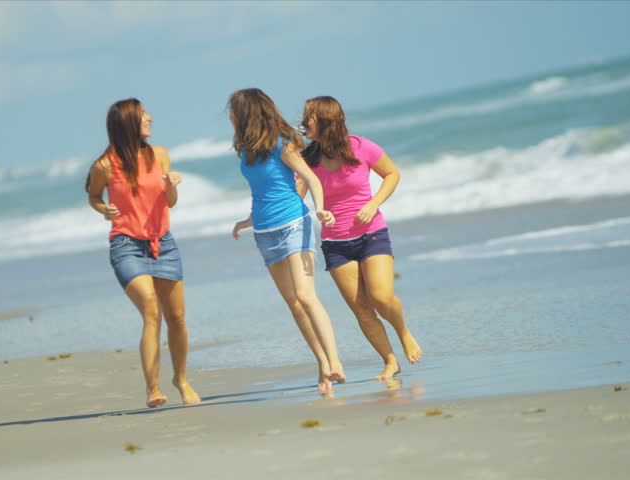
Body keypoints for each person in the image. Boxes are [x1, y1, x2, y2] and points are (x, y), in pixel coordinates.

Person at [229, 88, 346, 393]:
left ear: (246, 114)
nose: (229, 116)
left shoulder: (283, 145)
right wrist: (247, 221)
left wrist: (320, 209)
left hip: (295, 224)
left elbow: (312, 179)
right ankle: (323, 365)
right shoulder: (246, 151)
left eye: (233, 111)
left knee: (306, 296)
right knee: (294, 305)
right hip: (265, 232)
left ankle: (335, 362)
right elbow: (263, 193)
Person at [85, 98, 200, 408]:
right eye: (144, 115)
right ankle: (153, 388)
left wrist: (172, 184)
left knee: (177, 317)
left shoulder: (159, 155)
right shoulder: (105, 166)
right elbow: (93, 195)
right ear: (128, 123)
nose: (150, 118)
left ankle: (181, 379)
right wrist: (103, 209)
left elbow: (170, 202)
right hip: (126, 246)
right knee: (151, 310)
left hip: (163, 242)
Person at [297, 96, 422, 381]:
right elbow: (296, 196)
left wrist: (373, 203)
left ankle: (403, 333)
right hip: (335, 244)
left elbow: (391, 173)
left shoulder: (361, 146)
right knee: (363, 311)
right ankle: (390, 361)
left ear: (326, 120)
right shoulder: (308, 159)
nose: (303, 123)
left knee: (381, 297)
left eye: (309, 118)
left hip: (371, 234)